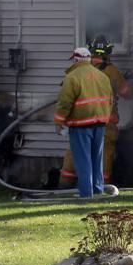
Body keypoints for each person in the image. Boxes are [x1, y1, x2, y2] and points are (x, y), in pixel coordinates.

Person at [60, 36, 133, 188]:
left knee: (74, 153)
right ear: (107, 52)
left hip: (80, 121)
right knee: (103, 154)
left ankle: (64, 186)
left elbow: (65, 92)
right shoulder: (111, 71)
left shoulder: (79, 69)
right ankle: (100, 187)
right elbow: (126, 92)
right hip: (104, 122)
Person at [54, 47, 113, 198]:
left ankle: (86, 194)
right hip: (100, 124)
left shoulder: (72, 77)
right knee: (96, 158)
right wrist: (105, 118)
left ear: (75, 59)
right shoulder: (102, 76)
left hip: (81, 125)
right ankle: (97, 190)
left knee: (83, 159)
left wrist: (59, 121)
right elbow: (110, 101)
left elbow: (65, 102)